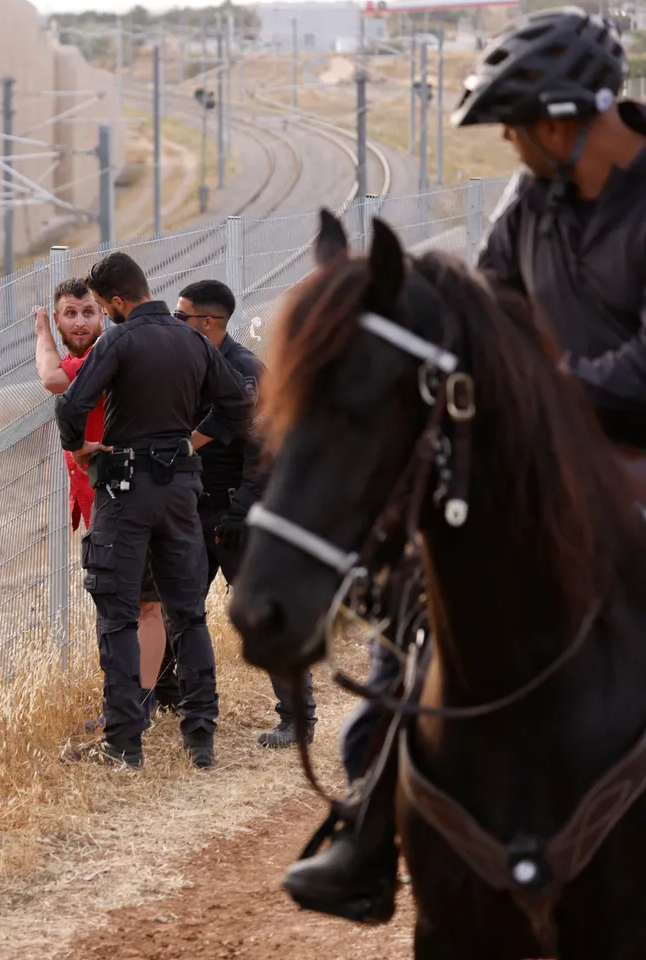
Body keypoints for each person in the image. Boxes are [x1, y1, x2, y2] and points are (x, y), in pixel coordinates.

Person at [280, 5, 646, 927]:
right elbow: (495, 322)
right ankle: (366, 829)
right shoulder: (532, 206)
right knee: (424, 601)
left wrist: (554, 392)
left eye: (519, 127)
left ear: (565, 119)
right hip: (556, 465)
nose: (515, 146)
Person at [56, 252, 254, 770]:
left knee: (119, 613)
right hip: (182, 491)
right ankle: (200, 736)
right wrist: (191, 441)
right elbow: (237, 404)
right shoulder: (192, 338)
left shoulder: (119, 339)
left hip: (125, 489)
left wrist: (79, 446)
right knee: (186, 612)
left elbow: (71, 405)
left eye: (101, 305)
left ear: (116, 302)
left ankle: (124, 743)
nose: (103, 313)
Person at [166, 279, 317, 749]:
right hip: (193, 509)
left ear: (206, 323)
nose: (173, 325)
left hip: (236, 513)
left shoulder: (244, 370)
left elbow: (269, 448)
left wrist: (240, 511)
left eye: (181, 317)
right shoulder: (192, 364)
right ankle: (175, 702)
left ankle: (297, 719)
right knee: (179, 611)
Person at [33, 279, 170, 731]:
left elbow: (52, 379)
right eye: (69, 314)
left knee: (142, 606)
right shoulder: (90, 355)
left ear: (105, 313)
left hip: (128, 499)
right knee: (130, 606)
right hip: (105, 505)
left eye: (87, 312)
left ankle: (139, 706)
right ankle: (142, 700)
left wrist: (40, 333)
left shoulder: (107, 352)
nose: (79, 322)